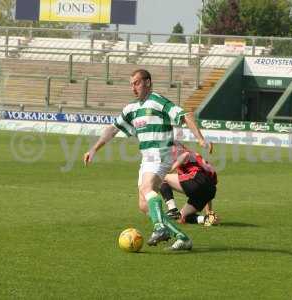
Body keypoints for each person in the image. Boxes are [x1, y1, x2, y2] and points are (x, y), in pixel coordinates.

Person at [83, 69, 212, 251]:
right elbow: (112, 129)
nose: (133, 88)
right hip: (147, 158)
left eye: (136, 83)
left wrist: (200, 138)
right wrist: (94, 148)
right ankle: (182, 237)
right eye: (131, 84)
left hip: (161, 154)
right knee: (144, 205)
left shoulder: (158, 101)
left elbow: (186, 115)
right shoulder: (131, 109)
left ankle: (160, 228)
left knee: (147, 189)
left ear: (148, 82)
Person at [160, 142, 220, 226]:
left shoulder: (184, 153)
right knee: (181, 217)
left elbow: (185, 155)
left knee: (160, 177)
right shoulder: (197, 157)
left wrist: (170, 169)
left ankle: (172, 209)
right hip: (209, 190)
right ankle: (206, 219)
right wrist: (208, 212)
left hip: (196, 180)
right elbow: (210, 182)